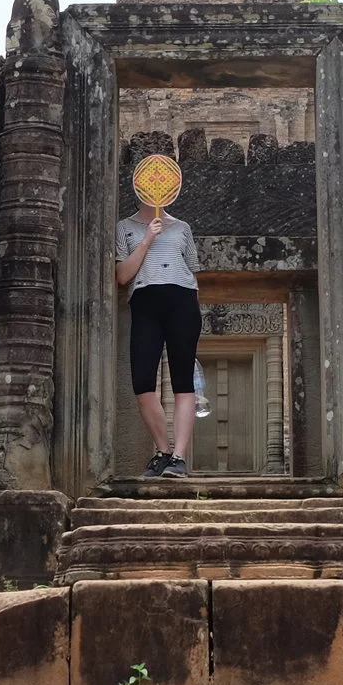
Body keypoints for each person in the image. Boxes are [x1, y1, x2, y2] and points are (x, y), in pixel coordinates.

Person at [116, 194, 201, 478]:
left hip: (182, 300)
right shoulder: (124, 227)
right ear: (138, 191)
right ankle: (163, 450)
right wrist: (147, 238)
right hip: (144, 301)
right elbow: (122, 276)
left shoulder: (182, 228)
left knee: (182, 382)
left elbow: (192, 270)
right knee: (142, 383)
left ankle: (179, 457)